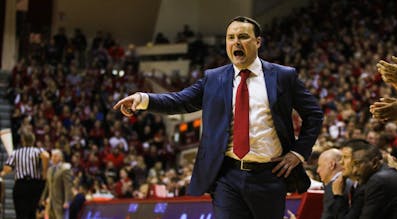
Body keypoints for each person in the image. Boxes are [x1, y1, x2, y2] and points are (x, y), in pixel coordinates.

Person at [114, 16, 323, 219]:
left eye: (243, 36)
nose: (236, 42)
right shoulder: (213, 78)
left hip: (269, 175)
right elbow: (180, 101)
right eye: (230, 37)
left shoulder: (283, 76)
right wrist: (142, 99)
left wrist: (298, 152)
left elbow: (313, 114)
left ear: (258, 42)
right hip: (227, 176)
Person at [0, 130, 49, 219]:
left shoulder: (16, 153)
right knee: (32, 213)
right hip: (35, 185)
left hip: (20, 185)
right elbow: (46, 156)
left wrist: (14, 163)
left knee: (21, 214)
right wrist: (44, 172)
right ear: (33, 141)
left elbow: (7, 169)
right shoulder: (38, 150)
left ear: (23, 141)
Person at [343, 141, 397, 218]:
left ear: (374, 163)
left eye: (358, 164)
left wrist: (338, 196)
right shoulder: (389, 173)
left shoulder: (377, 181)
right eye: (353, 166)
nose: (354, 171)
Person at [41, 149, 73, 219]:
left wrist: (67, 201)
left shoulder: (65, 168)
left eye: (55, 156)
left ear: (60, 158)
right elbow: (47, 185)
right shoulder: (50, 170)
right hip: (51, 201)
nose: (53, 158)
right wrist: (43, 197)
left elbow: (68, 186)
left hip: (60, 201)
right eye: (52, 156)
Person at [316, 148, 345, 219]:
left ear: (332, 165)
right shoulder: (350, 181)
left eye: (320, 165)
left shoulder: (332, 186)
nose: (317, 170)